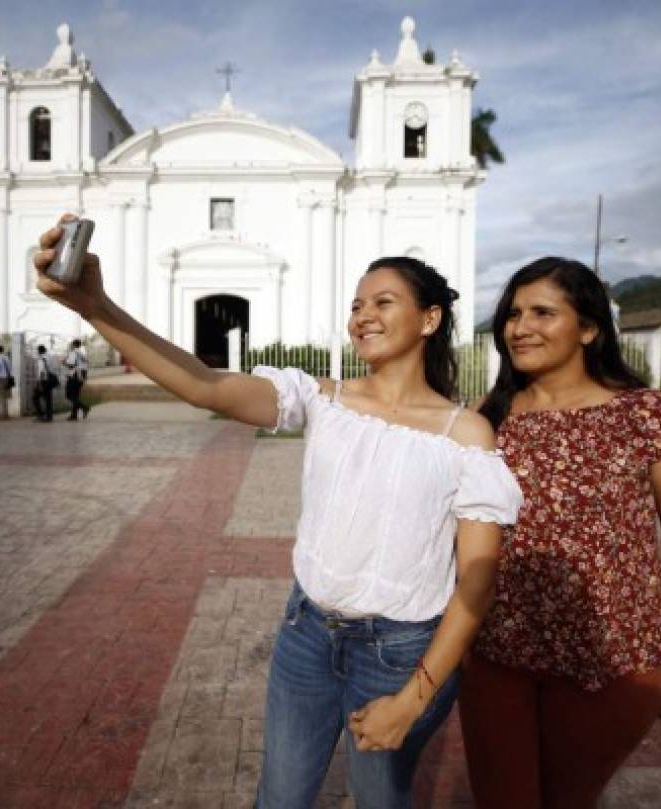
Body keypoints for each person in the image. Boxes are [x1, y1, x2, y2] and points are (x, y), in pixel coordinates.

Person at [31, 215, 523, 807]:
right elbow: (205, 386)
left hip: (400, 653)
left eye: (383, 302)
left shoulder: (464, 433)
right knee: (281, 798)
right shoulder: (323, 399)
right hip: (307, 636)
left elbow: (478, 579)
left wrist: (415, 697)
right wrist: (96, 307)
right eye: (356, 304)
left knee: (381, 801)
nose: (362, 315)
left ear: (430, 318)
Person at [460, 257, 661, 809]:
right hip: (496, 654)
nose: (519, 327)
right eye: (512, 314)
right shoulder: (488, 416)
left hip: (610, 662)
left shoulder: (647, 417)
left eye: (541, 312)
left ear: (588, 328)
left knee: (568, 799)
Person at [62, 338, 91, 421]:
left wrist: (64, 362)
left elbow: (71, 365)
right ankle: (74, 415)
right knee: (76, 396)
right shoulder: (83, 353)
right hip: (82, 376)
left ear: (74, 344)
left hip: (74, 376)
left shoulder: (73, 353)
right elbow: (86, 364)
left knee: (69, 395)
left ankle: (85, 407)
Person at [31, 345, 58, 422]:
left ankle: (40, 415)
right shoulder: (50, 357)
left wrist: (39, 383)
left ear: (39, 351)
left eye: (37, 351)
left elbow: (42, 372)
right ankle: (49, 417)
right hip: (49, 380)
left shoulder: (41, 359)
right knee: (48, 399)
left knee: (35, 398)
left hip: (43, 381)